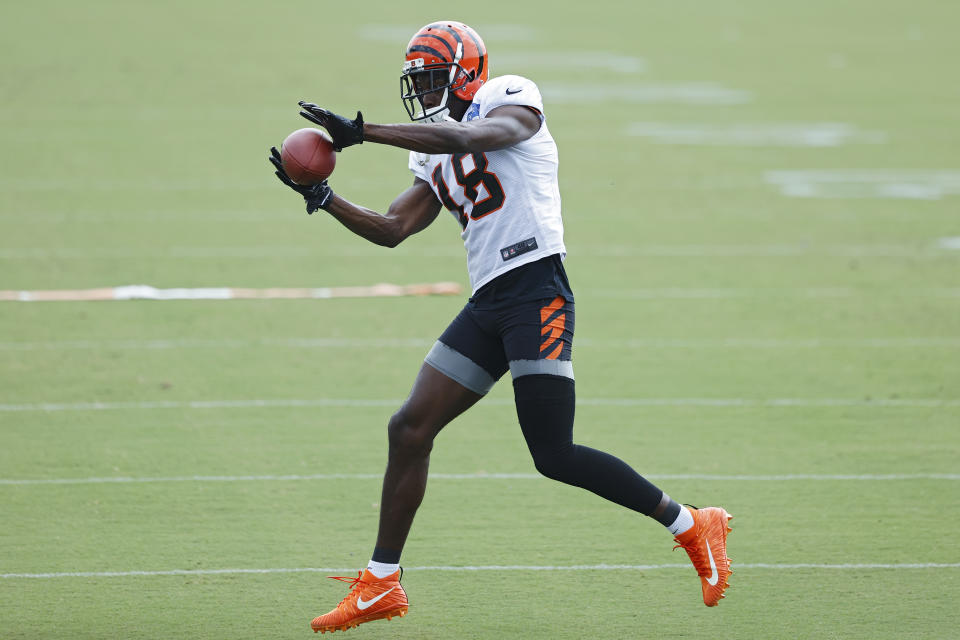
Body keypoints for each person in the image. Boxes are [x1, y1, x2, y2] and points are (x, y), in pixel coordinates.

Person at [269, 21, 733, 634]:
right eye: (418, 81)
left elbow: (477, 136)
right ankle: (381, 583)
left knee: (553, 452)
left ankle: (692, 524)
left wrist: (367, 132)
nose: (424, 89)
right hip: (491, 300)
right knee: (409, 428)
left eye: (433, 77)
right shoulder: (426, 147)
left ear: (467, 73)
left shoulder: (509, 95)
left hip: (538, 291)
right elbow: (393, 227)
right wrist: (326, 197)